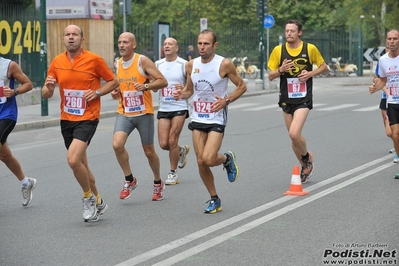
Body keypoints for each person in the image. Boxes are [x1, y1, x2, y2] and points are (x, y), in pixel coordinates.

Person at [42, 24, 118, 222]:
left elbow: (113, 81)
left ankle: (87, 198)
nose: (71, 37)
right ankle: (99, 201)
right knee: (82, 165)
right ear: (63, 39)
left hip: (88, 117)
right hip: (67, 119)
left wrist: (98, 92)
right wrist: (48, 88)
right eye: (67, 34)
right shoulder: (57, 62)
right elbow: (45, 92)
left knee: (73, 160)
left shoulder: (94, 60)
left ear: (82, 39)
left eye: (75, 34)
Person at [173, 29, 247, 214]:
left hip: (216, 117)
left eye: (206, 43)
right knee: (201, 161)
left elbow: (242, 86)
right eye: (199, 43)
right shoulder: (191, 65)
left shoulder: (224, 64)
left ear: (214, 45)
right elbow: (190, 90)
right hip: (198, 116)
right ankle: (215, 199)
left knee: (208, 157)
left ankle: (226, 158)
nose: (202, 47)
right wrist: (181, 94)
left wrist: (226, 101)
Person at [268, 19, 327, 184]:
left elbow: (324, 67)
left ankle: (306, 159)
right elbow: (270, 75)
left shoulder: (310, 49)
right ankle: (306, 164)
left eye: (292, 31)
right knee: (294, 137)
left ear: (299, 32)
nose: (289, 33)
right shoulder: (278, 51)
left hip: (303, 98)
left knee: (293, 133)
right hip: (286, 99)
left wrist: (309, 74)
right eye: (287, 31)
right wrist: (280, 70)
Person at [111, 32, 168, 201]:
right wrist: (116, 92)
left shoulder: (142, 61)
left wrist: (146, 86)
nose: (121, 45)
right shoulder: (117, 63)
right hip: (125, 112)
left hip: (143, 113)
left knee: (149, 152)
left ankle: (158, 182)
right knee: (117, 145)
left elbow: (162, 81)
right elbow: (119, 84)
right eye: (119, 42)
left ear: (133, 45)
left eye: (125, 42)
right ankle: (130, 179)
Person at [0, 56, 37, 207]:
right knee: (4, 155)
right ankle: (26, 182)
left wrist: (14, 92)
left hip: (6, 115)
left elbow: (28, 84)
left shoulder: (9, 65)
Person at [155, 37, 190, 185]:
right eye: (165, 44)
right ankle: (180, 150)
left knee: (172, 140)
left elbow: (190, 88)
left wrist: (182, 90)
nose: (167, 46)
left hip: (179, 106)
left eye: (170, 44)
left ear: (177, 48)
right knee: (164, 144)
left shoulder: (184, 64)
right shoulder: (157, 64)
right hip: (164, 107)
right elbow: (155, 86)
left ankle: (172, 173)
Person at [369, 29, 399, 179]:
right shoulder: (383, 60)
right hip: (393, 101)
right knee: (395, 134)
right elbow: (382, 80)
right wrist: (375, 87)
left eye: (395, 39)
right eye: (389, 39)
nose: (391, 41)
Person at [372, 44, 398, 162]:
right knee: (389, 132)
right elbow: (378, 78)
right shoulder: (383, 61)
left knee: (395, 132)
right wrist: (378, 88)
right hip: (387, 99)